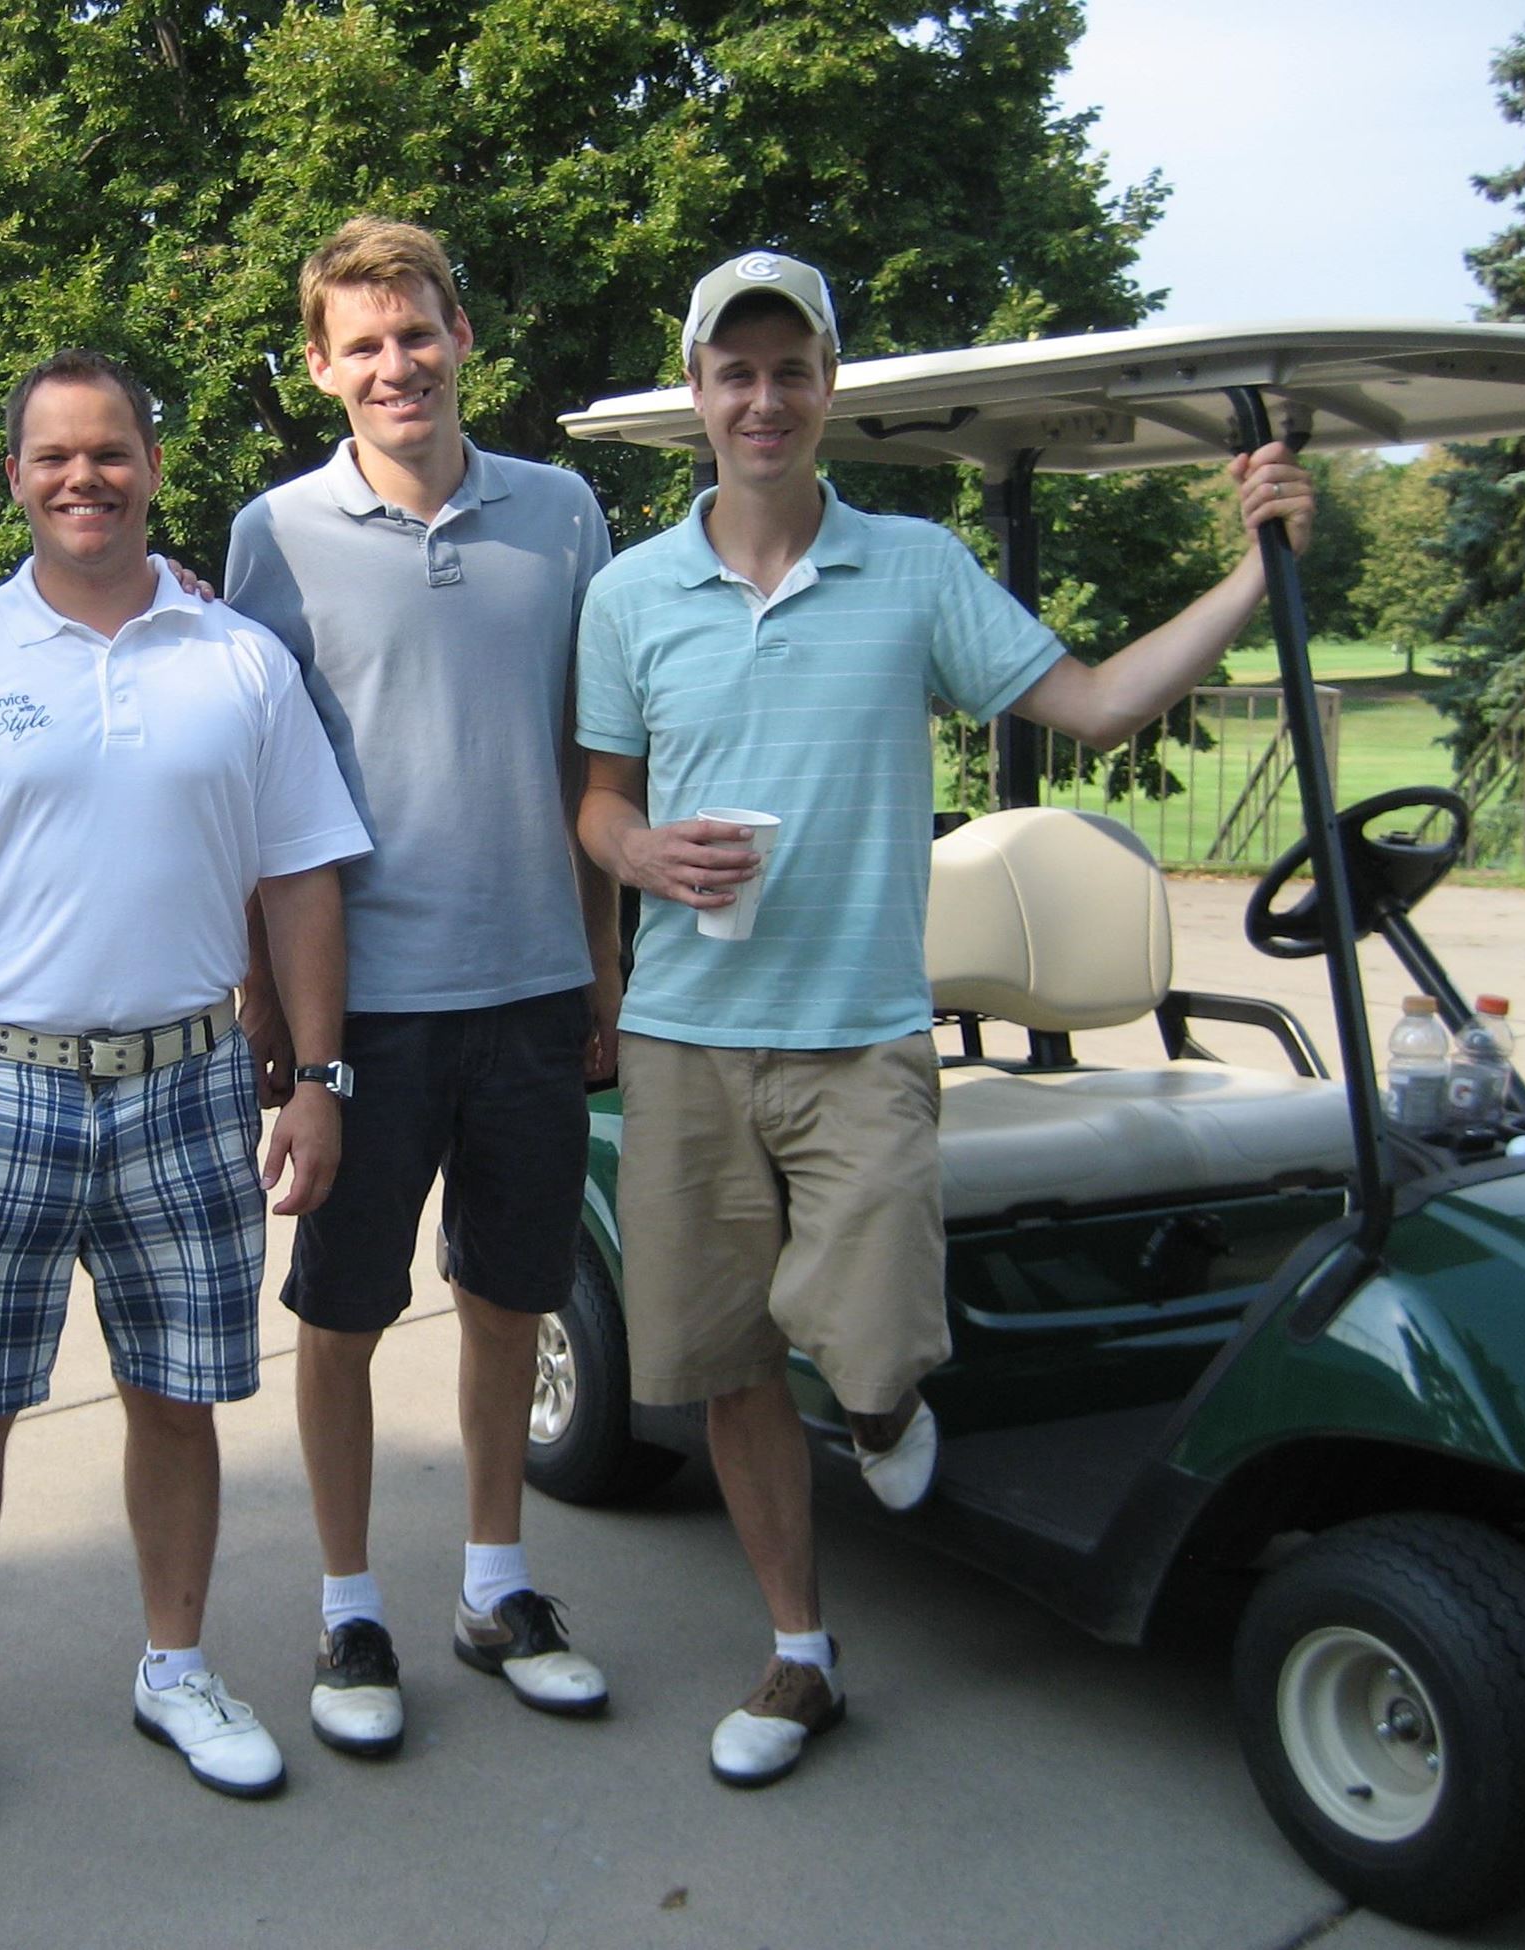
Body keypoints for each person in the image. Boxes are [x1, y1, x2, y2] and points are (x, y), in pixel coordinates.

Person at [574, 249, 1317, 1790]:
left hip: (860, 1031)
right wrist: (641, 854)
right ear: (701, 390)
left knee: (872, 1343)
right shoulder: (630, 593)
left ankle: (885, 1398)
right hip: (688, 1033)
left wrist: (1258, 568)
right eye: (736, 371)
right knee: (722, 1365)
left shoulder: (911, 569)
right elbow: (597, 801)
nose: (763, 398)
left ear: (827, 387)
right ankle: (798, 1654)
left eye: (792, 369)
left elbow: (1102, 703)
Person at [0, 349, 368, 1838]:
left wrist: (320, 1077)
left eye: (112, 452)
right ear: (13, 477)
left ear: (154, 464)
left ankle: (177, 1664)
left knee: (176, 1398)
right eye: (53, 457)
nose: (84, 478)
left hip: (189, 1085)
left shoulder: (238, 662)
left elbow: (302, 882)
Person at [225, 215, 623, 1759]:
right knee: (342, 1312)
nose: (397, 363)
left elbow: (597, 755)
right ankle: (347, 1603)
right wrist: (274, 1011)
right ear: (322, 367)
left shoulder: (565, 512)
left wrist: (601, 967)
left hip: (530, 989)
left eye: (420, 330)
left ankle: (497, 1585)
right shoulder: (278, 535)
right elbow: (260, 794)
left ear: (465, 335)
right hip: (362, 1014)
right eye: (363, 342)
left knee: (512, 1298)